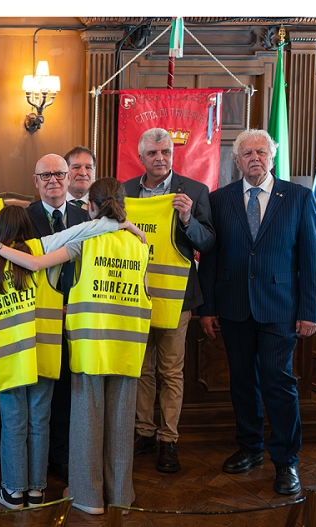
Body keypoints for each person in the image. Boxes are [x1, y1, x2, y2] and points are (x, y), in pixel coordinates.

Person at [0, 205, 142, 509]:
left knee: (14, 425)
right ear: (28, 229)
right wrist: (121, 224)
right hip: (43, 357)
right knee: (40, 423)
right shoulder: (42, 251)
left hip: (7, 361)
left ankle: (13, 491)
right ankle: (37, 491)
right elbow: (80, 231)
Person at [0, 178, 151, 514]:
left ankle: (89, 497)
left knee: (87, 425)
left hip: (91, 346)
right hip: (130, 346)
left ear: (90, 207)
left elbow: (33, 263)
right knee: (121, 427)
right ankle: (120, 495)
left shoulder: (84, 243)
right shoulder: (139, 244)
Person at [198, 129, 316, 495]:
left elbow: (311, 261)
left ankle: (286, 461)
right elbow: (211, 257)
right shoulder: (219, 200)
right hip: (234, 307)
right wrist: (207, 307)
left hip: (281, 309)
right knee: (242, 382)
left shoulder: (299, 197)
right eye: (247, 152)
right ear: (236, 161)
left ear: (272, 156)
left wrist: (309, 311)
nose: (255, 157)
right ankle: (250, 448)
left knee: (278, 383)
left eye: (261, 152)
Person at [123, 127, 215, 474]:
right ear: (141, 156)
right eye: (153, 154)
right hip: (133, 295)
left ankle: (168, 440)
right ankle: (144, 433)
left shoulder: (194, 191)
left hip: (178, 297)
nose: (160, 158)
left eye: (166, 152)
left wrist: (189, 218)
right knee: (141, 369)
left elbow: (207, 242)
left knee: (171, 371)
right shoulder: (126, 192)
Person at [25, 154, 90, 485]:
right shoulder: (24, 218)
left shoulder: (85, 215)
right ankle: (39, 457)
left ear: (69, 178)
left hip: (79, 316)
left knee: (69, 390)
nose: (53, 180)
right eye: (45, 175)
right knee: (41, 390)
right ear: (35, 181)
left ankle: (63, 458)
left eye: (59, 174)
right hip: (38, 318)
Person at [64, 146, 96, 211]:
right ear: (65, 171)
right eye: (76, 167)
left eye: (88, 167)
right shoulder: (53, 203)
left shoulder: (103, 205)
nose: (83, 173)